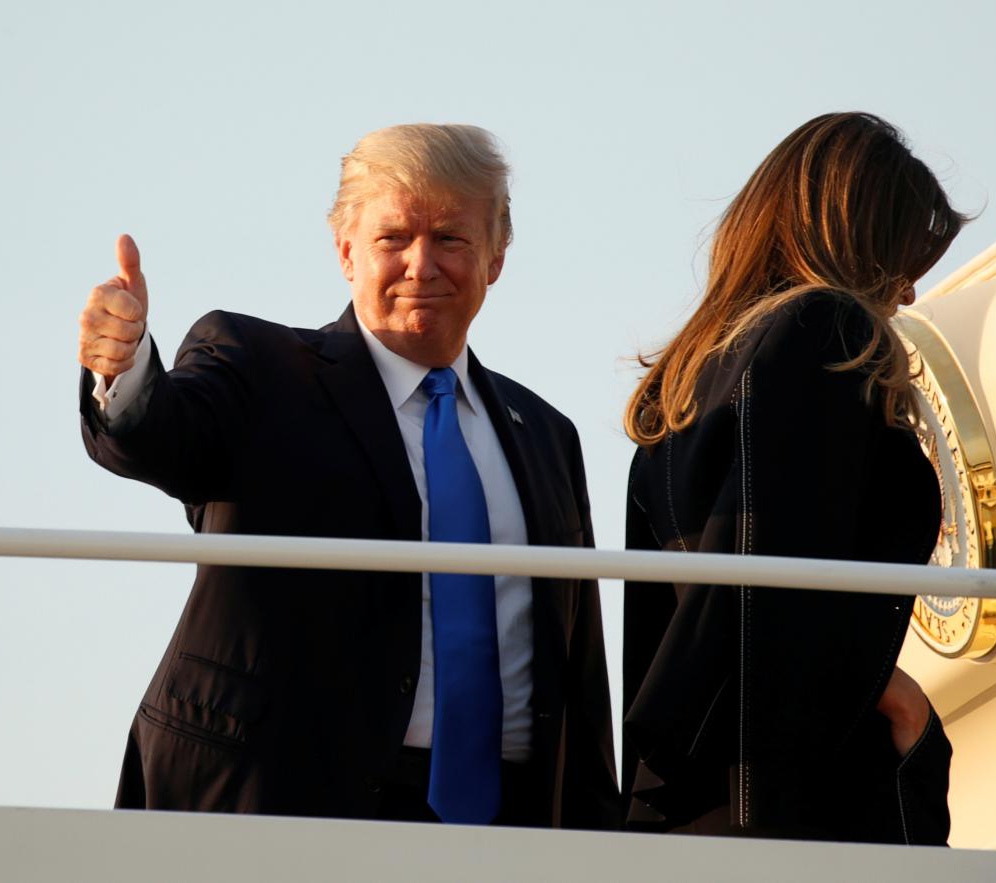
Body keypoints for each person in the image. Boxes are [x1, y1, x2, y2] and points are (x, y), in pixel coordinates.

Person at [77, 124, 620, 828]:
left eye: (451, 239)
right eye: (393, 238)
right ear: (346, 251)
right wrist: (123, 371)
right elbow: (166, 435)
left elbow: (576, 665)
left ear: (495, 258)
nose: (421, 265)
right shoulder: (260, 367)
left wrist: (602, 830)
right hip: (283, 806)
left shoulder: (545, 433)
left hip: (506, 822)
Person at [620, 112, 965, 843]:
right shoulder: (828, 331)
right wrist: (901, 706)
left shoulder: (678, 384)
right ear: (856, 238)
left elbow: (682, 618)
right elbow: (782, 597)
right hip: (802, 804)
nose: (905, 294)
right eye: (902, 258)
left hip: (693, 797)